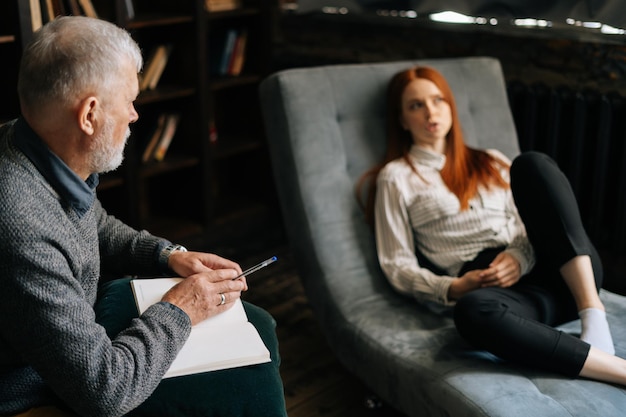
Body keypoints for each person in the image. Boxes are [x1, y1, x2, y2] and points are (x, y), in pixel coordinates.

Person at [0, 16, 286, 417]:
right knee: (247, 383)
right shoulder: (20, 227)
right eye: (129, 100)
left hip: (78, 332)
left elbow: (92, 223)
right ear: (90, 115)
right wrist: (180, 309)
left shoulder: (30, 140)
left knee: (258, 325)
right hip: (41, 386)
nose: (135, 115)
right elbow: (106, 392)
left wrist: (167, 255)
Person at [357, 65, 626, 386]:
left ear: (451, 108)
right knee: (471, 314)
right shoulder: (396, 177)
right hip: (508, 300)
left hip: (564, 274)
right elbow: (397, 264)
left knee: (533, 165)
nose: (431, 111)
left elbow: (531, 222)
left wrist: (518, 257)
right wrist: (453, 288)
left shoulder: (492, 160)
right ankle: (618, 370)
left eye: (438, 100)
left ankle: (593, 313)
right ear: (402, 120)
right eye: (416, 105)